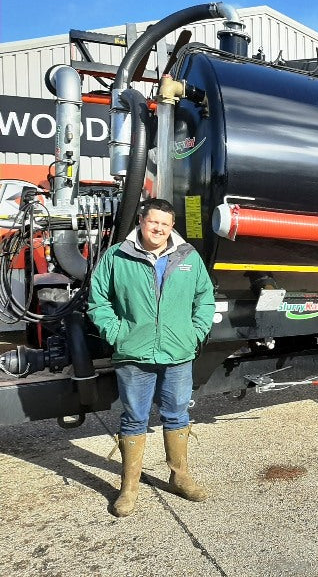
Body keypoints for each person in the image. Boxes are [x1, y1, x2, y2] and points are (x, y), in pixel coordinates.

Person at [88, 198, 216, 517]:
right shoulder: (117, 255)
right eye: (153, 221)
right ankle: (129, 487)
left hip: (178, 352)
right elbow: (98, 300)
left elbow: (205, 299)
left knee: (177, 415)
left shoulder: (188, 257)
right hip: (134, 353)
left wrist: (194, 333)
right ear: (141, 221)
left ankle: (180, 477)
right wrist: (117, 333)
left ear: (172, 227)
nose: (158, 228)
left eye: (165, 223)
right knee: (134, 418)